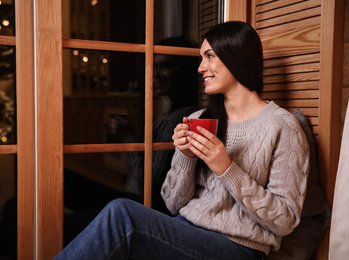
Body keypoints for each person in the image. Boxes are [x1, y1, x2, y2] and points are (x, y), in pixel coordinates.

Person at [52, 21, 310, 260]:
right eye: (201, 58)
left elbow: (284, 220)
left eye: (209, 56)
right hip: (186, 230)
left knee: (122, 214)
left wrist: (226, 168)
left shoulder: (281, 125)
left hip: (238, 247)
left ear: (237, 56)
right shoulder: (202, 118)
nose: (200, 68)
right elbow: (173, 204)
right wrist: (186, 158)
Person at [0, 37, 199, 259]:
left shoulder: (186, 117)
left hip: (147, 207)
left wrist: (128, 137)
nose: (155, 74)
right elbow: (140, 171)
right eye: (154, 66)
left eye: (165, 67)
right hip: (133, 197)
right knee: (57, 179)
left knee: (51, 225)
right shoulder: (166, 112)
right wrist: (127, 138)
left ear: (186, 73)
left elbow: (152, 181)